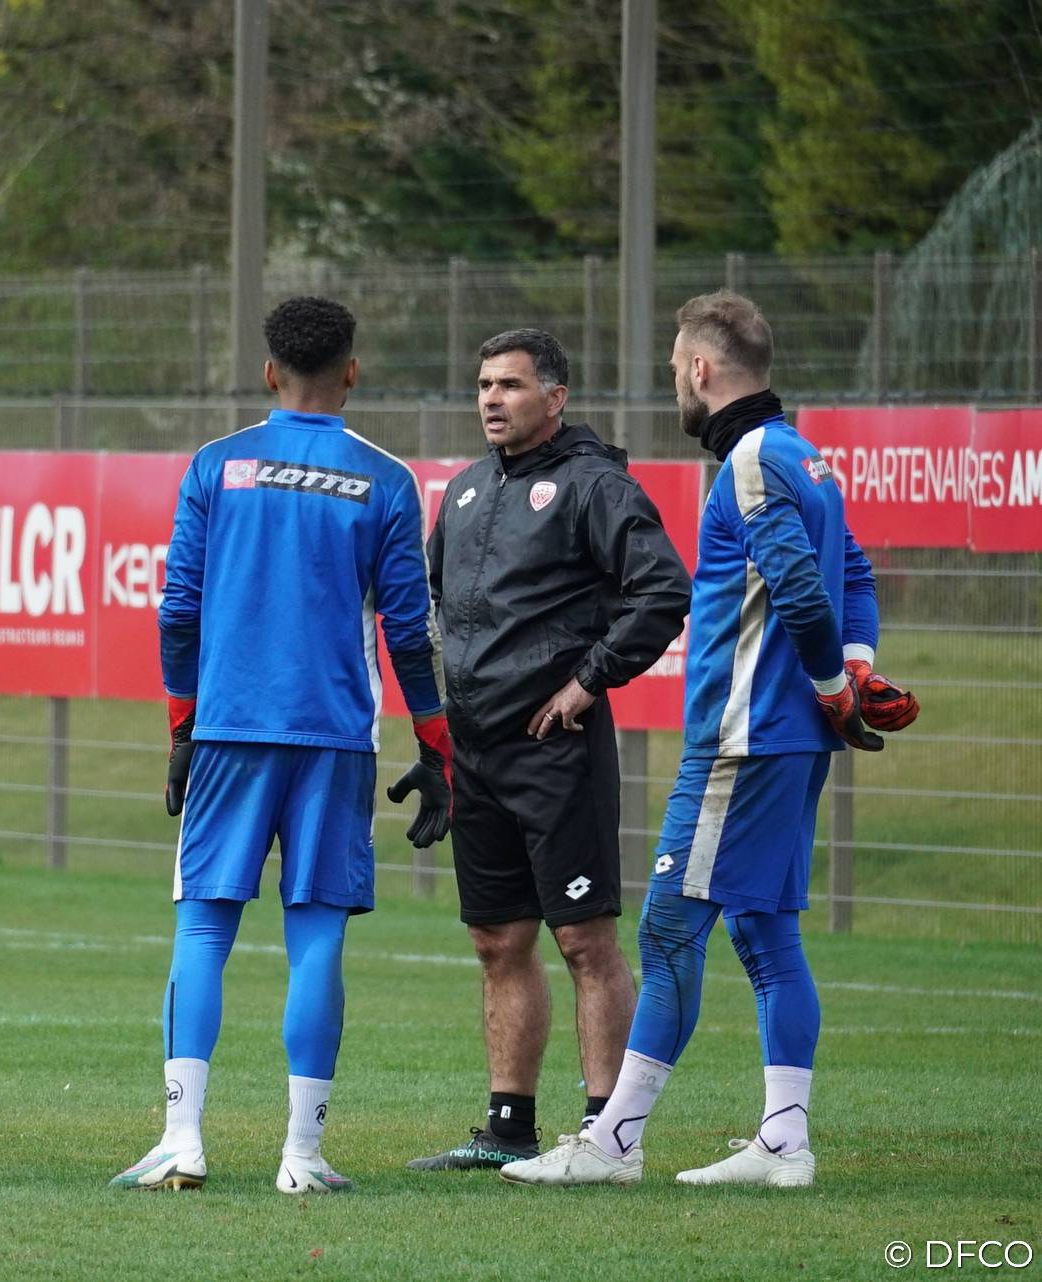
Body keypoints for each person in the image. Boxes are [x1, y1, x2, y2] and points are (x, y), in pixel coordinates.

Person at [501, 291, 918, 1189]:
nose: (673, 387)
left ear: (700, 369)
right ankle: (784, 1141)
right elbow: (855, 574)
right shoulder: (807, 457)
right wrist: (849, 670)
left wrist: (833, 686)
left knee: (667, 929)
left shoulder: (756, 461)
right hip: (789, 739)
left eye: (674, 370)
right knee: (767, 934)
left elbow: (808, 588)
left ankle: (613, 1144)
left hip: (745, 740)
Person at [110, 296, 452, 1196]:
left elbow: (177, 608)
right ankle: (301, 1155)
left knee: (203, 927)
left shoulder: (216, 466)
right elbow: (409, 633)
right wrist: (435, 740)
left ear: (268, 372)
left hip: (228, 730)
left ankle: (183, 1140)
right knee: (317, 940)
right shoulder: (385, 479)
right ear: (351, 371)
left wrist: (182, 726)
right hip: (335, 740)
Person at [409, 328, 689, 1173]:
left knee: (585, 941)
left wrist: (588, 681)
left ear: (555, 398)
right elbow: (433, 611)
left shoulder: (594, 485)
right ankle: (507, 1128)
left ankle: (612, 1135)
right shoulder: (459, 494)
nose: (492, 399)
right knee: (498, 941)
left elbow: (664, 590)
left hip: (557, 751)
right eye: (484, 385)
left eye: (512, 386)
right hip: (476, 755)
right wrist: (437, 728)